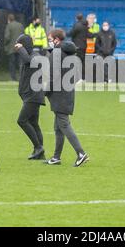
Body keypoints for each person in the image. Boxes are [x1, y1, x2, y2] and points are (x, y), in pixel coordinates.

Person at [45, 29, 89, 167]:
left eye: (50, 39)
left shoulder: (56, 54)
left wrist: (45, 92)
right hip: (68, 92)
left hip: (59, 95)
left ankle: (81, 153)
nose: (49, 41)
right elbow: (76, 76)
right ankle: (56, 157)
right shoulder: (71, 54)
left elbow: (53, 77)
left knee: (63, 124)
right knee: (58, 127)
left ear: (57, 39)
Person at [14, 34, 46, 160]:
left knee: (22, 121)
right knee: (34, 123)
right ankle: (39, 153)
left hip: (33, 96)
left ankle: (38, 147)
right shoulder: (29, 56)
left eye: (19, 44)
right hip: (30, 95)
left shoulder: (35, 56)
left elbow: (28, 61)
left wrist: (21, 48)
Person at [68, 13, 93, 81]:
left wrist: (64, 34)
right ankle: (83, 77)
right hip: (84, 46)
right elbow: (89, 35)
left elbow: (71, 33)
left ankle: (77, 77)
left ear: (76, 18)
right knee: (82, 62)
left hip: (77, 46)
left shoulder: (77, 25)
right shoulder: (85, 25)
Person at [4, 14, 24, 81]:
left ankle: (13, 78)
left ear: (8, 19)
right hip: (20, 47)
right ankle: (21, 77)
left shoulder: (9, 26)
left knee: (12, 64)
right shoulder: (20, 25)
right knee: (20, 63)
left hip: (11, 48)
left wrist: (5, 45)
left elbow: (7, 37)